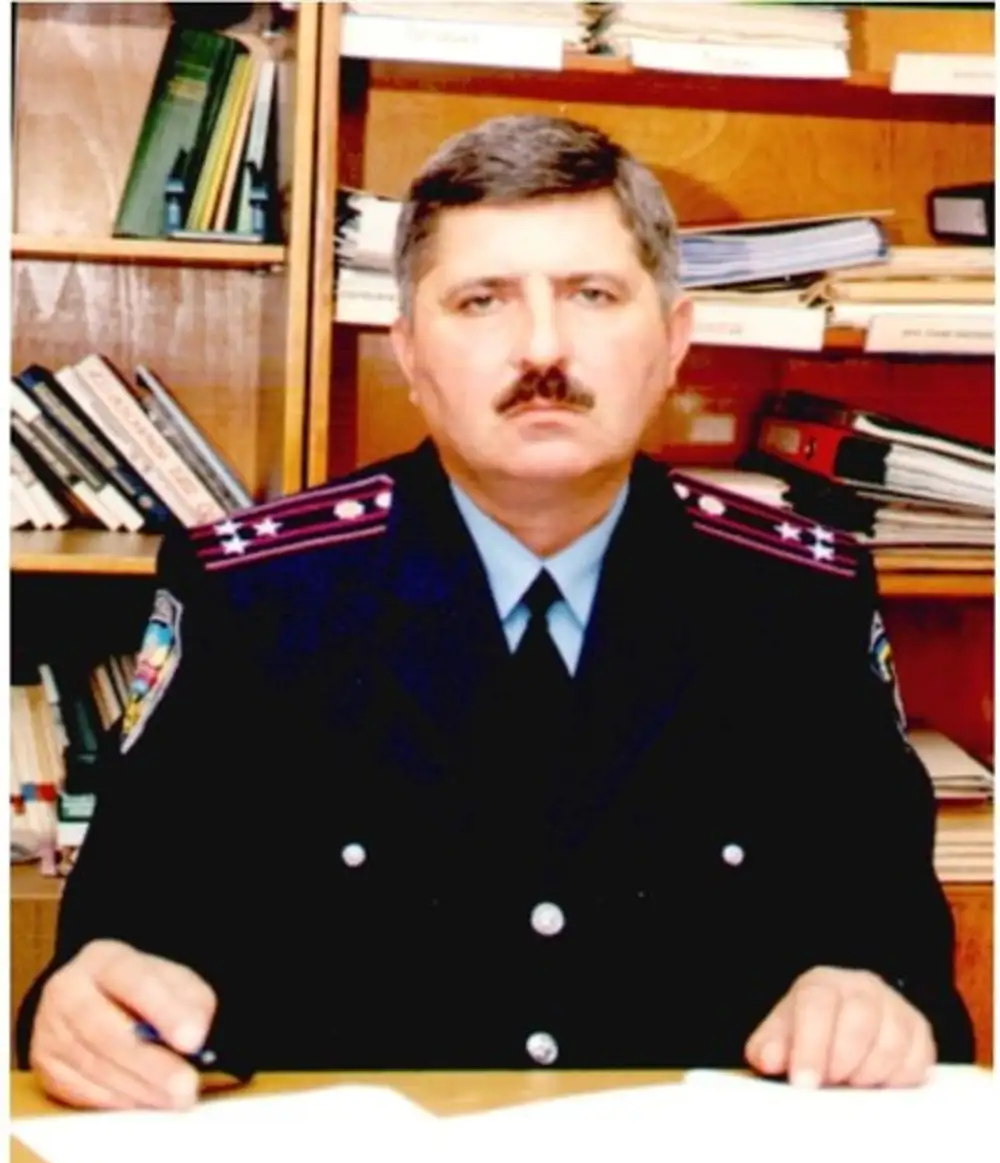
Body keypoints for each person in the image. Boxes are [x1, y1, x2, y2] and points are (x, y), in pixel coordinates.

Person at [18, 115, 974, 1111]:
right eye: (482, 300)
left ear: (674, 341)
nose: (543, 348)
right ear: (407, 350)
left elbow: (898, 956)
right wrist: (87, 1009)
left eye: (592, 295)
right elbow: (116, 950)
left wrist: (877, 1000)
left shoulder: (796, 602)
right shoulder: (257, 597)